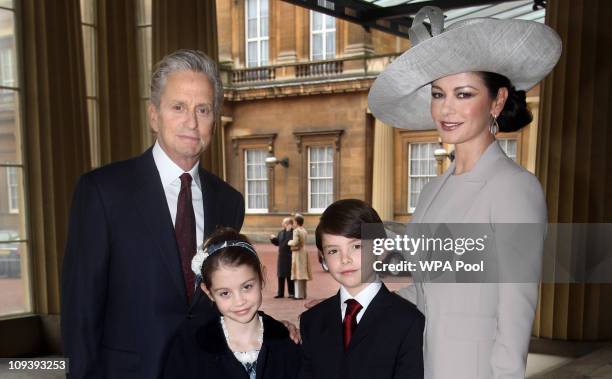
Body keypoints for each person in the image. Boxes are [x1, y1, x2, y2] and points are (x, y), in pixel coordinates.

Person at [368, 6, 561, 379]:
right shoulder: (431, 191)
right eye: (439, 94)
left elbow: (516, 308)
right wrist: (360, 309)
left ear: (498, 100)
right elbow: (426, 293)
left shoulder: (515, 188)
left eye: (464, 93)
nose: (446, 109)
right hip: (421, 363)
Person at [61, 49, 245, 378]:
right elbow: (81, 311)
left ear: (213, 122)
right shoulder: (103, 192)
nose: (192, 122)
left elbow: (226, 299)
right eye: (178, 107)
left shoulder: (229, 201)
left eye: (203, 109)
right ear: (154, 115)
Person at [299, 199, 425, 379]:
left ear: (381, 249)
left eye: (356, 246)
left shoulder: (408, 321)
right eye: (333, 251)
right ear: (323, 257)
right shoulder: (312, 321)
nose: (345, 259)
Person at [164, 227, 301, 379]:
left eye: (247, 287)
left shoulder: (286, 340)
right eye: (225, 293)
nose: (239, 301)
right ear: (208, 292)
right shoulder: (190, 346)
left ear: (261, 276)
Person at [270, 217, 295, 298]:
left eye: (284, 222)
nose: (282, 224)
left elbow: (290, 242)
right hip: (281, 256)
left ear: (288, 224)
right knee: (280, 275)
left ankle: (291, 292)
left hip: (289, 256)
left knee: (289, 275)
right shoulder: (281, 232)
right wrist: (273, 239)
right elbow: (278, 243)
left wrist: (288, 231)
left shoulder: (293, 232)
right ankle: (280, 293)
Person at [288, 213, 311, 299]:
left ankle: (298, 295)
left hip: (298, 253)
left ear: (297, 222)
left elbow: (295, 242)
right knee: (303, 273)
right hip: (304, 252)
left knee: (297, 273)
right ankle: (303, 294)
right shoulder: (304, 230)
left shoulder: (296, 231)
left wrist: (289, 242)